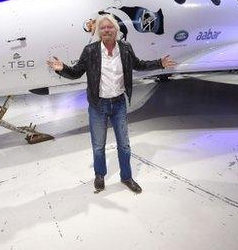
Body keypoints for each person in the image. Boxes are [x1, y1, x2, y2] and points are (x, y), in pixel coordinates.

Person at [47, 14, 176, 194]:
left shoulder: (125, 48)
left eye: (110, 27)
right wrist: (63, 69)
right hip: (97, 105)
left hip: (118, 104)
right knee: (98, 145)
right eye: (102, 28)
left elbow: (138, 64)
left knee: (124, 144)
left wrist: (159, 64)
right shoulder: (90, 50)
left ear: (116, 30)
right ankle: (100, 175)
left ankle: (126, 177)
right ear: (98, 32)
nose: (106, 30)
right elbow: (76, 72)